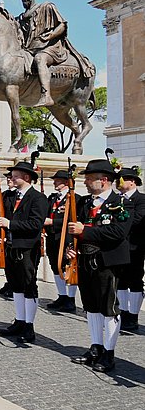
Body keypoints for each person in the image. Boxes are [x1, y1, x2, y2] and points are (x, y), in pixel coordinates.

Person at [67, 159, 133, 372]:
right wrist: (71, 246)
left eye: (89, 179)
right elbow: (73, 229)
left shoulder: (122, 202)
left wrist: (83, 232)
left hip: (107, 263)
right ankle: (95, 347)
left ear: (104, 180)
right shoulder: (85, 202)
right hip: (86, 261)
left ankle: (109, 353)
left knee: (109, 308)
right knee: (91, 307)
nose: (85, 182)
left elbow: (118, 233)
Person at [16, 0, 94, 107]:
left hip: (50, 47)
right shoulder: (21, 17)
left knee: (40, 59)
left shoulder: (47, 6)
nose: (23, 1)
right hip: (30, 48)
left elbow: (62, 25)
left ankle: (46, 95)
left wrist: (50, 35)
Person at [0, 161, 47, 343]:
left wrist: (10, 225)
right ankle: (19, 320)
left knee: (28, 286)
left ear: (26, 177)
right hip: (10, 246)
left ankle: (29, 326)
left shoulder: (38, 198)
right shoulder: (8, 196)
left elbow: (35, 224)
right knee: (15, 285)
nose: (12, 178)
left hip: (27, 248)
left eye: (15, 175)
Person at [44, 170, 81, 312]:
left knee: (69, 267)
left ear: (66, 183)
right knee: (55, 266)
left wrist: (52, 222)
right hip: (53, 238)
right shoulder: (52, 198)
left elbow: (73, 220)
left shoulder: (75, 199)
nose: (54, 182)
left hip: (66, 238)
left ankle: (71, 299)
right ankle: (62, 295)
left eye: (57, 180)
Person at [115, 166, 145, 331]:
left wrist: (119, 223)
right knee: (120, 281)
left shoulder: (142, 199)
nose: (118, 183)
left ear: (132, 182)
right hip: (118, 246)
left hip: (134, 246)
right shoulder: (117, 199)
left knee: (135, 280)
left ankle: (133, 316)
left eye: (122, 179)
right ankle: (124, 312)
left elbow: (137, 219)